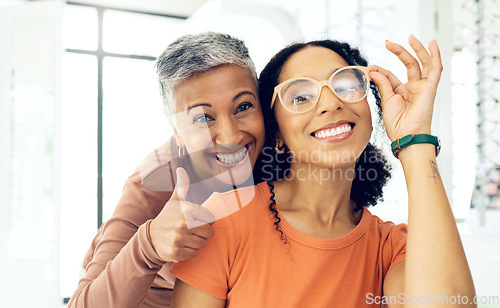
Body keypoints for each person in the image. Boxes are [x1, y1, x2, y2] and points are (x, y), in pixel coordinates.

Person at [169, 35, 476, 307]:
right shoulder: (223, 220)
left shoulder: (391, 248)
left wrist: (416, 140)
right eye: (300, 96)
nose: (330, 102)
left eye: (345, 85)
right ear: (276, 132)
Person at [68, 32, 266, 307]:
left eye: (243, 106)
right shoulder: (152, 183)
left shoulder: (276, 149)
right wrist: (148, 246)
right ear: (177, 134)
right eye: (202, 118)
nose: (231, 137)